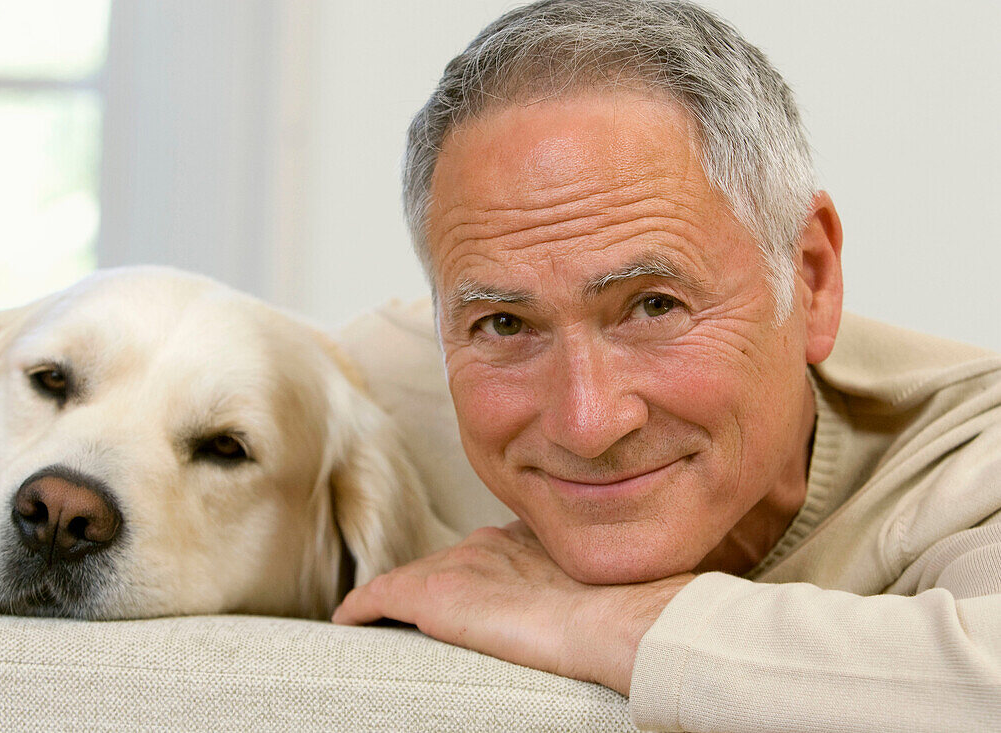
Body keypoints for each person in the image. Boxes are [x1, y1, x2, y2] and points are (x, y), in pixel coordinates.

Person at [332, 1, 1001, 729]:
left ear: (809, 279)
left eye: (654, 306)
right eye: (505, 323)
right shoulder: (376, 390)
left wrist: (586, 617)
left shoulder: (973, 463)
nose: (587, 423)